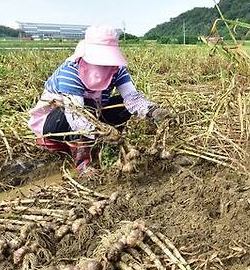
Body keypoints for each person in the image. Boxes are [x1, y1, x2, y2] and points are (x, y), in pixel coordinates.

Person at [28, 25, 170, 177]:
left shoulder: (117, 70)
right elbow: (76, 116)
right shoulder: (70, 72)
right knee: (85, 106)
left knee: (122, 104)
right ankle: (83, 165)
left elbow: (132, 98)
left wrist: (152, 111)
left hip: (93, 115)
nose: (105, 65)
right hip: (54, 124)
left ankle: (108, 147)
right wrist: (104, 133)